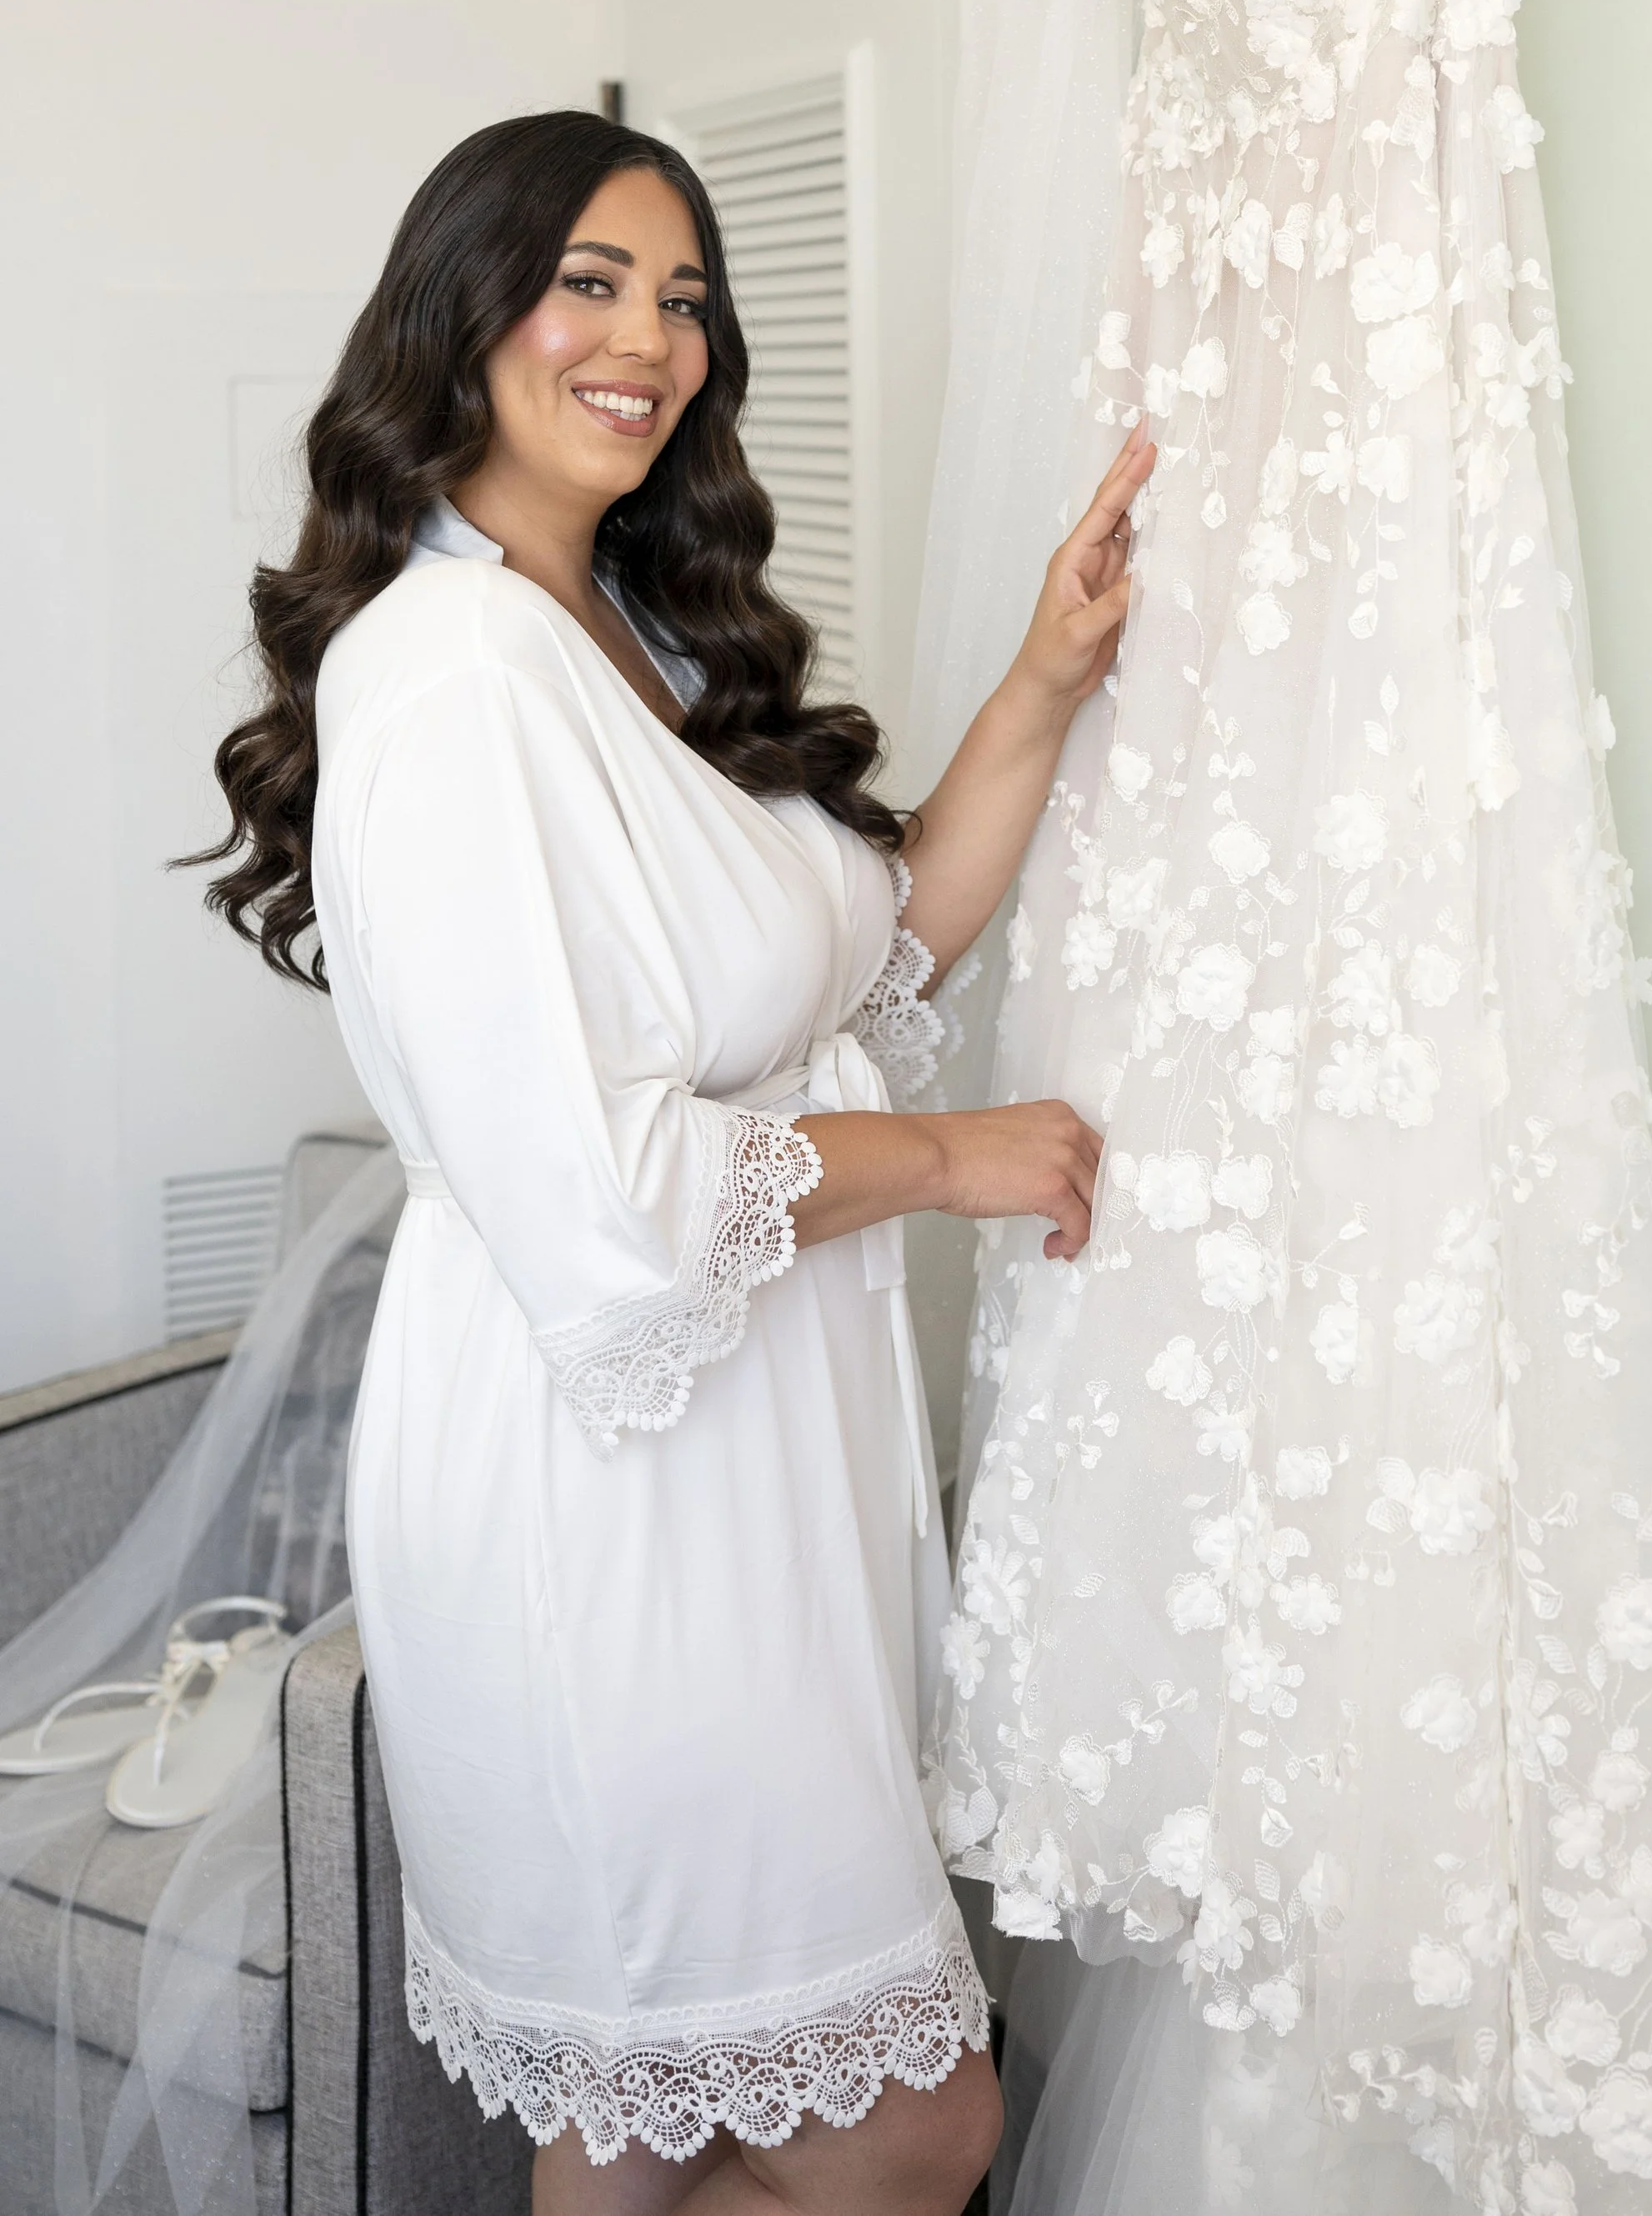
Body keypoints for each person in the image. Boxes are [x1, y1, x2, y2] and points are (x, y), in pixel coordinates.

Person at [189, 108, 1155, 2216]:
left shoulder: (639, 634)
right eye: (590, 283)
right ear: (465, 314)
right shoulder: (444, 674)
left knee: (633, 2131)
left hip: (742, 1488)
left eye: (684, 297)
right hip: (595, 1508)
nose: (648, 338)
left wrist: (1044, 679)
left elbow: (872, 941)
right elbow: (614, 1194)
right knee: (916, 2129)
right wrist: (949, 1156)